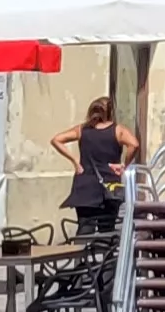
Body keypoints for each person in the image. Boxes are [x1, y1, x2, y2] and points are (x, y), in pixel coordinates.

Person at [53, 97, 138, 241]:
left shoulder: (82, 129)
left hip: (84, 186)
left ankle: (81, 255)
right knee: (107, 231)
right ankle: (104, 255)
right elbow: (134, 144)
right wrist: (124, 164)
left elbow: (56, 139)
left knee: (85, 228)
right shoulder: (118, 130)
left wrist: (75, 161)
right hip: (109, 186)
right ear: (111, 112)